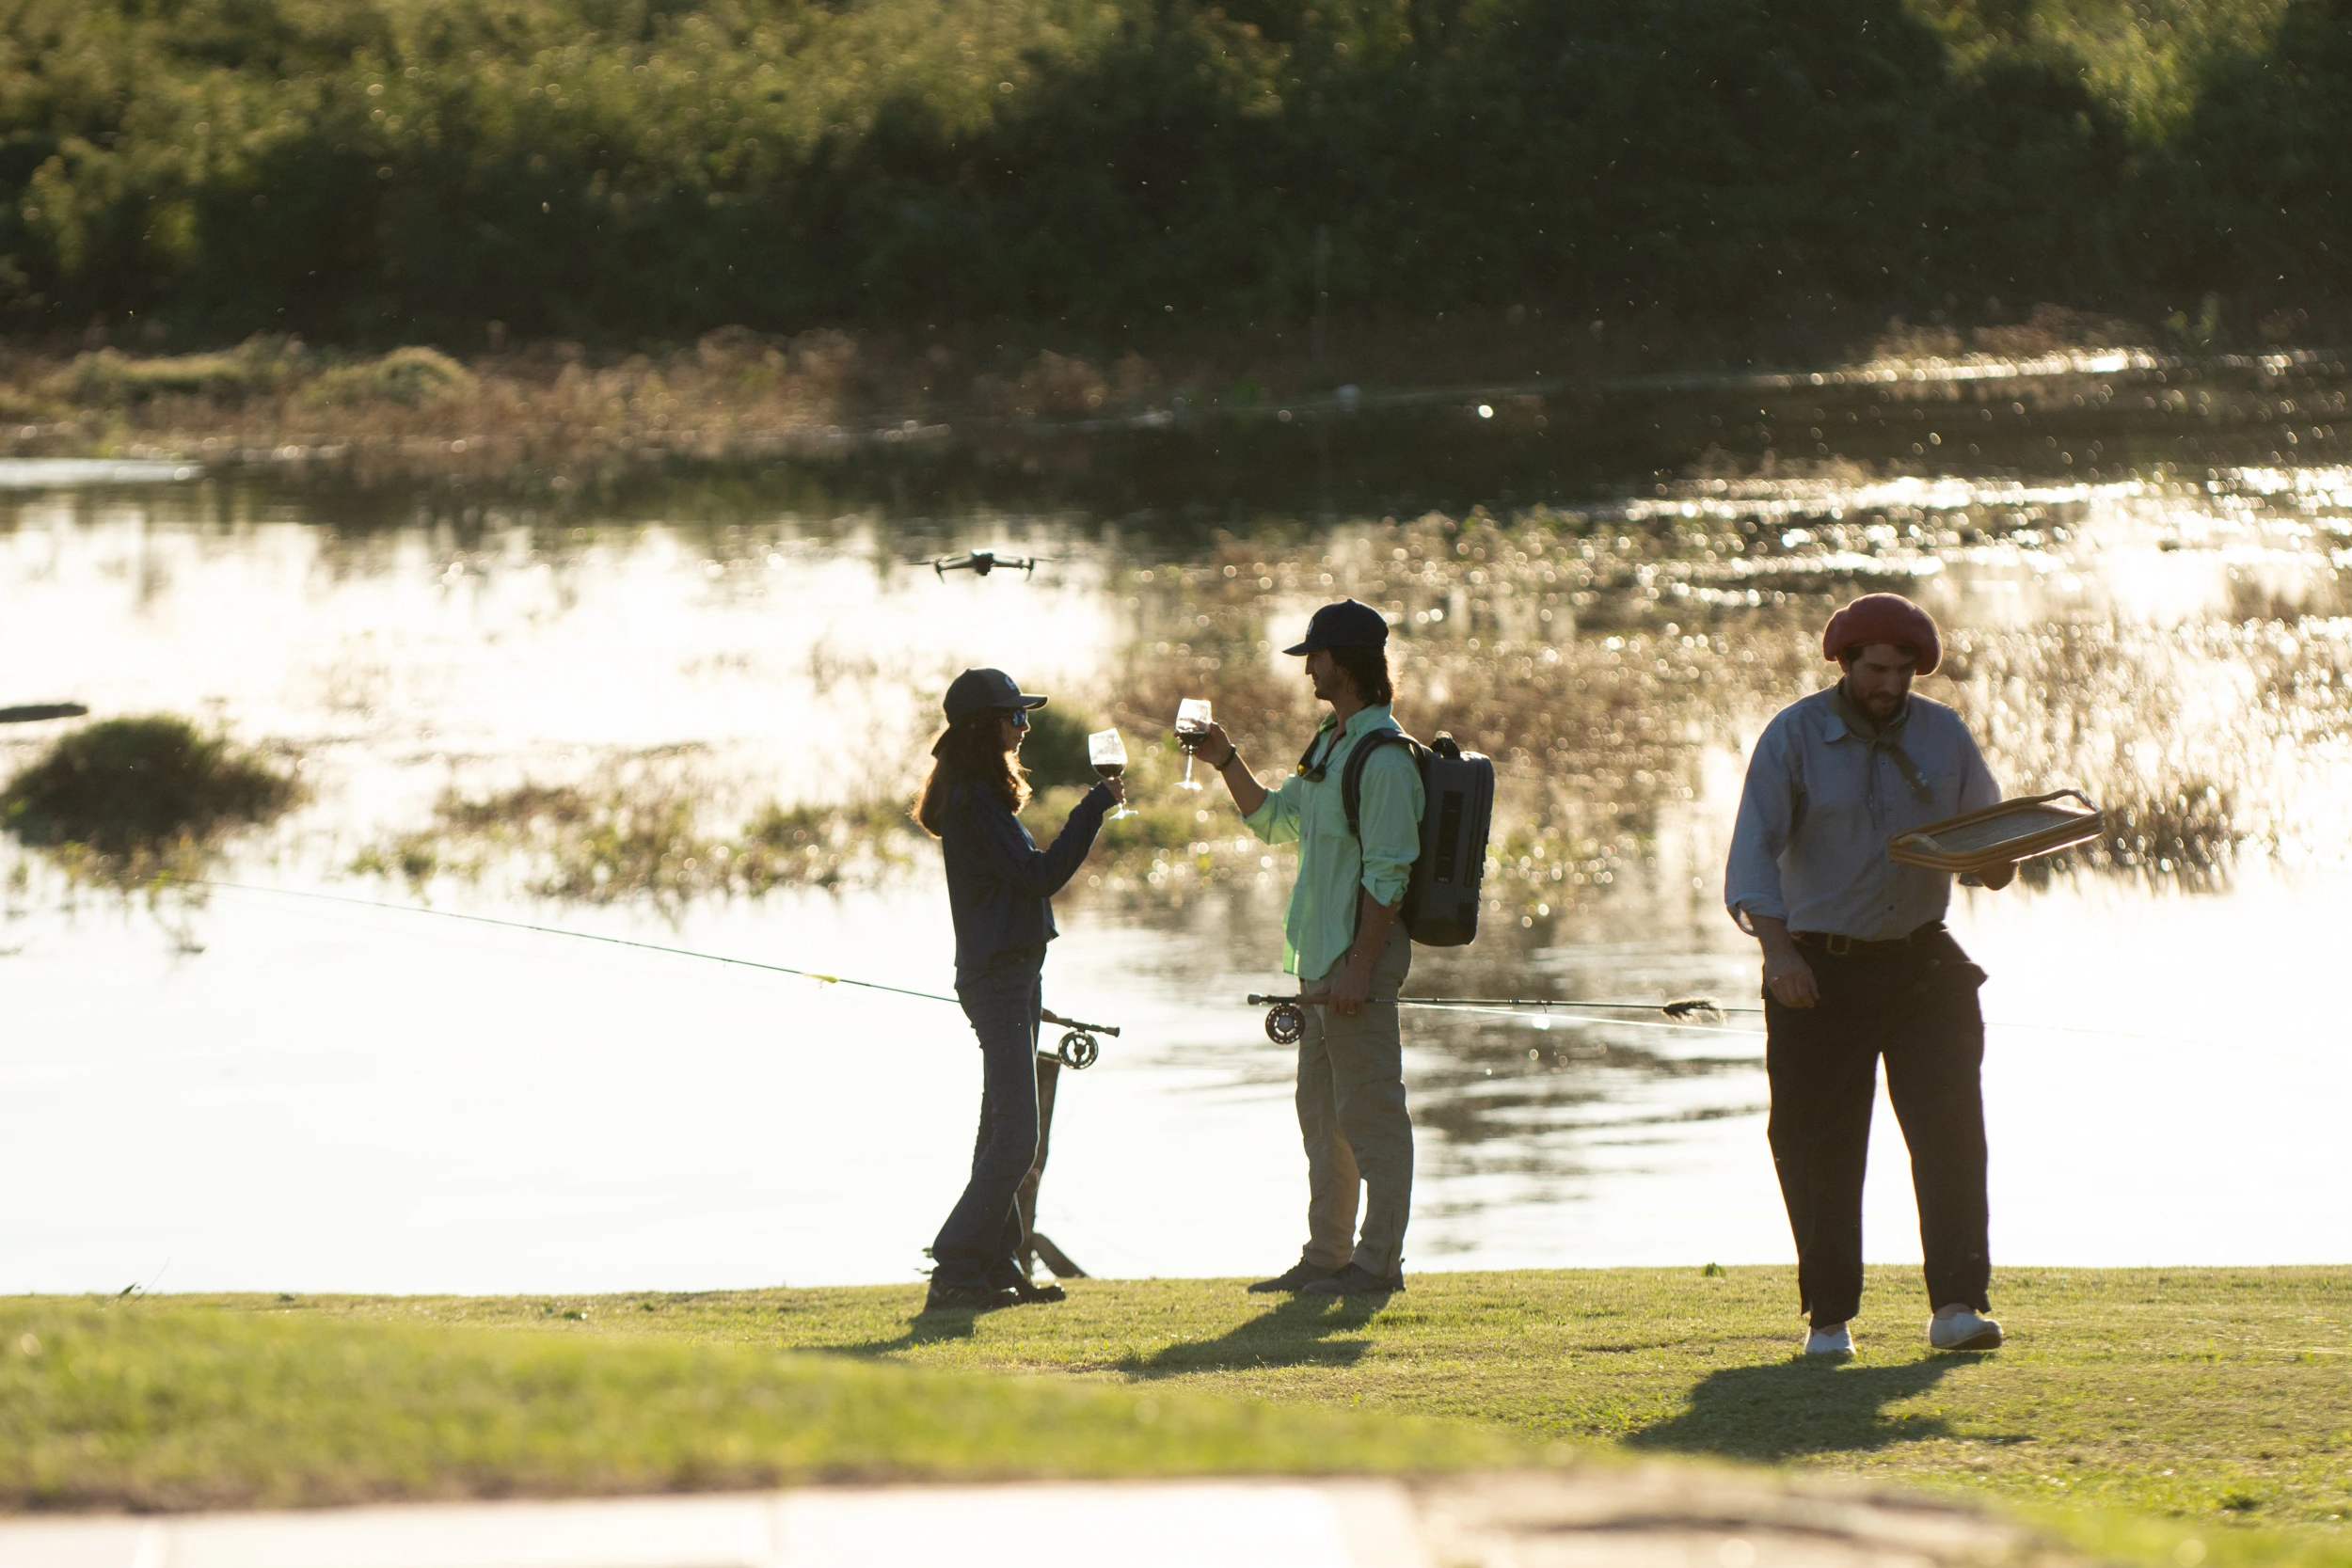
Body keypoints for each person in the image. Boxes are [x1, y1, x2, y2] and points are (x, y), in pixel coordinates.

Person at [1724, 593, 2016, 1356]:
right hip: (1819, 964)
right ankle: (1829, 1320)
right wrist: (1780, 955)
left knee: (1953, 1136)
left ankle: (1956, 1306)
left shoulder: (1945, 735)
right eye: (1878, 670)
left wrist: (1998, 861)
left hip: (1923, 958)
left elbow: (1986, 845)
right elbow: (1752, 858)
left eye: (1904, 671)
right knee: (1818, 1146)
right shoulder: (1794, 736)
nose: (1892, 685)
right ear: (1846, 663)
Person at [1194, 599, 1424, 1296]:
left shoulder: (1385, 760)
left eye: (1316, 657)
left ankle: (1378, 1264)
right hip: (1319, 964)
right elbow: (1272, 819)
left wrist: (1360, 968)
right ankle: (1326, 1258)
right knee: (1323, 1119)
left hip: (1358, 966)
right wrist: (1224, 759)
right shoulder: (1330, 743)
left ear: (1344, 664)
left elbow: (1390, 875)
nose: (1308, 670)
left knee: (1373, 1117)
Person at [913, 667, 1122, 1313]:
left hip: (1014, 976)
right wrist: (1093, 807)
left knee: (997, 1131)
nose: (1025, 726)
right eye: (1015, 716)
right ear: (985, 726)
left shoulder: (977, 796)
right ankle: (955, 1263)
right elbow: (1040, 877)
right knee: (1017, 1139)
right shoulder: (974, 803)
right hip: (999, 980)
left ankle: (995, 1265)